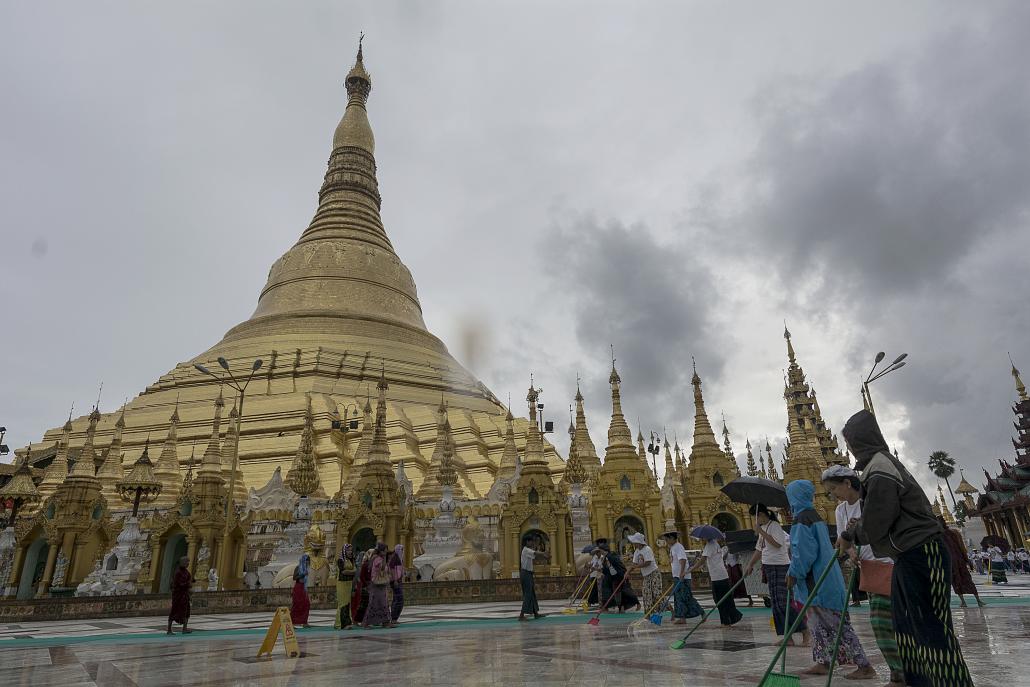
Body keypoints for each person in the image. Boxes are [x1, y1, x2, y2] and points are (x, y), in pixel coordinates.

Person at [840, 409, 973, 687]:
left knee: (928, 628)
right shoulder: (877, 467)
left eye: (851, 443)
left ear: (860, 441)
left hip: (921, 553)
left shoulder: (880, 469)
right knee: (907, 627)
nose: (850, 450)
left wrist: (853, 532)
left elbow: (876, 523)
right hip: (906, 555)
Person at [822, 465, 904, 686]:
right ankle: (898, 672)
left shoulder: (870, 502)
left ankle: (903, 672)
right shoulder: (840, 511)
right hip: (868, 568)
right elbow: (844, 542)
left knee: (890, 622)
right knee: (880, 624)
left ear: (848, 483)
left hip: (890, 564)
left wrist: (860, 527)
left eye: (833, 489)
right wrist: (849, 551)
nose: (832, 495)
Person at [786, 479, 875, 679]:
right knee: (817, 625)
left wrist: (793, 572)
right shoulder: (813, 516)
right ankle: (823, 662)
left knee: (837, 625)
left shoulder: (802, 520)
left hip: (818, 581)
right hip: (823, 578)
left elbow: (803, 552)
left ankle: (864, 665)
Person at [745, 504, 809, 646]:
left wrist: (760, 531)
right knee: (776, 604)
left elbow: (778, 544)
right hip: (769, 567)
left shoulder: (774, 526)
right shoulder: (765, 528)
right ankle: (788, 637)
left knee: (785, 602)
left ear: (761, 514)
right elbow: (759, 549)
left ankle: (806, 633)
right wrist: (750, 564)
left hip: (781, 566)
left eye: (755, 517)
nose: (755, 520)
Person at [691, 534, 742, 627]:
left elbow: (702, 560)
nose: (702, 538)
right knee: (723, 599)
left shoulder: (710, 545)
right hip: (719, 575)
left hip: (718, 576)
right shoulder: (714, 544)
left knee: (720, 599)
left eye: (703, 537)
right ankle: (729, 619)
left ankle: (727, 621)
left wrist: (691, 569)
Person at [935, 517, 986, 608]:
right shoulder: (938, 536)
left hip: (959, 561)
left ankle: (978, 600)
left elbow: (961, 547)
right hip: (950, 563)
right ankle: (963, 601)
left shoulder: (953, 533)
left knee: (967, 580)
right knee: (956, 582)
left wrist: (967, 560)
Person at [663, 531, 701, 623]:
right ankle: (682, 618)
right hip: (677, 575)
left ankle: (702, 613)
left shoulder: (678, 547)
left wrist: (681, 573)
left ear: (672, 538)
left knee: (687, 597)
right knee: (679, 598)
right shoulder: (673, 547)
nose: (666, 541)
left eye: (667, 539)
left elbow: (683, 560)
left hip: (682, 576)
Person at [626, 532, 662, 613]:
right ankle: (648, 613)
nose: (634, 543)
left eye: (635, 542)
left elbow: (648, 562)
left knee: (657, 594)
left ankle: (670, 610)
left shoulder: (647, 549)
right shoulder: (636, 551)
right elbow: (634, 564)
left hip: (654, 573)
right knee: (646, 593)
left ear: (639, 542)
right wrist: (627, 572)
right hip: (646, 575)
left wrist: (637, 566)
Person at [518, 534, 549, 621]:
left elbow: (535, 555)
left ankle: (536, 613)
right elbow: (535, 553)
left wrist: (543, 556)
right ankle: (521, 615)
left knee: (531, 594)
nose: (532, 543)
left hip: (528, 573)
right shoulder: (526, 550)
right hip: (526, 574)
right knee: (528, 594)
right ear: (527, 541)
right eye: (531, 541)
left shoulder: (527, 550)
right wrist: (544, 553)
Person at [363, 542, 392, 628]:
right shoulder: (377, 559)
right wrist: (384, 559)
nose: (386, 552)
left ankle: (385, 621)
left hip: (381, 585)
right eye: (385, 551)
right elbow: (382, 568)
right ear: (381, 551)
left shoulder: (379, 558)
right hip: (377, 585)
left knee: (383, 603)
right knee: (374, 603)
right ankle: (366, 622)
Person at [167, 556, 192, 635]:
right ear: (183, 562)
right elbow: (179, 584)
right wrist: (188, 584)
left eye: (188, 562)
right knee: (174, 611)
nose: (188, 563)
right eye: (187, 562)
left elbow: (188, 580)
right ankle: (169, 630)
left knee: (186, 612)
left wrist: (190, 582)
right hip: (178, 595)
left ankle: (184, 628)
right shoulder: (178, 572)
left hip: (185, 595)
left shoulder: (187, 572)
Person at [335, 544, 356, 630]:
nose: (350, 552)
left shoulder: (351, 560)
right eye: (348, 550)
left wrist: (350, 571)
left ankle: (347, 622)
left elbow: (355, 571)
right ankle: (341, 624)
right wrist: (351, 571)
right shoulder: (340, 560)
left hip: (349, 583)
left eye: (351, 550)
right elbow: (343, 572)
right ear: (344, 551)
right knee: (342, 603)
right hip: (342, 583)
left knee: (348, 603)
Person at [290, 553, 312, 628]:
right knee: (297, 605)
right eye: (306, 561)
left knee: (306, 604)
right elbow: (294, 577)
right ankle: (292, 622)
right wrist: (303, 574)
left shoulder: (306, 568)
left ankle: (304, 621)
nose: (307, 563)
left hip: (303, 588)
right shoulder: (298, 567)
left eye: (308, 561)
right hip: (298, 587)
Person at [351, 548, 371, 624]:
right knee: (356, 603)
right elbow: (357, 577)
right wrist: (354, 587)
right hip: (358, 586)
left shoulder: (366, 565)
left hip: (361, 585)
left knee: (360, 603)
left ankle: (361, 619)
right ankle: (354, 618)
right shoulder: (357, 566)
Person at [389, 544, 405, 626]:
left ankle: (394, 618)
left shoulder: (400, 559)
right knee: (399, 600)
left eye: (403, 550)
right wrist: (395, 580)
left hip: (398, 581)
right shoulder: (394, 559)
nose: (402, 551)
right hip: (395, 581)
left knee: (396, 599)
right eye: (401, 550)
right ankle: (394, 617)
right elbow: (392, 570)